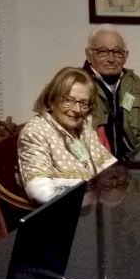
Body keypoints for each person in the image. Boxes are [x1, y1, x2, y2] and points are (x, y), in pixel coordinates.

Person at [19, 66, 117, 204]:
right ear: (51, 100)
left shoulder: (83, 127)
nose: (76, 109)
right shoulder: (35, 132)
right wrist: (87, 198)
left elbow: (108, 167)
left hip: (92, 206)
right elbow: (41, 191)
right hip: (64, 211)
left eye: (83, 103)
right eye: (68, 100)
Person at [83, 24, 140, 158]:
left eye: (117, 52)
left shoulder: (135, 84)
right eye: (102, 52)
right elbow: (67, 137)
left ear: (126, 56)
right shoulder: (76, 84)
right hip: (93, 163)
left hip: (130, 162)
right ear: (89, 54)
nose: (111, 59)